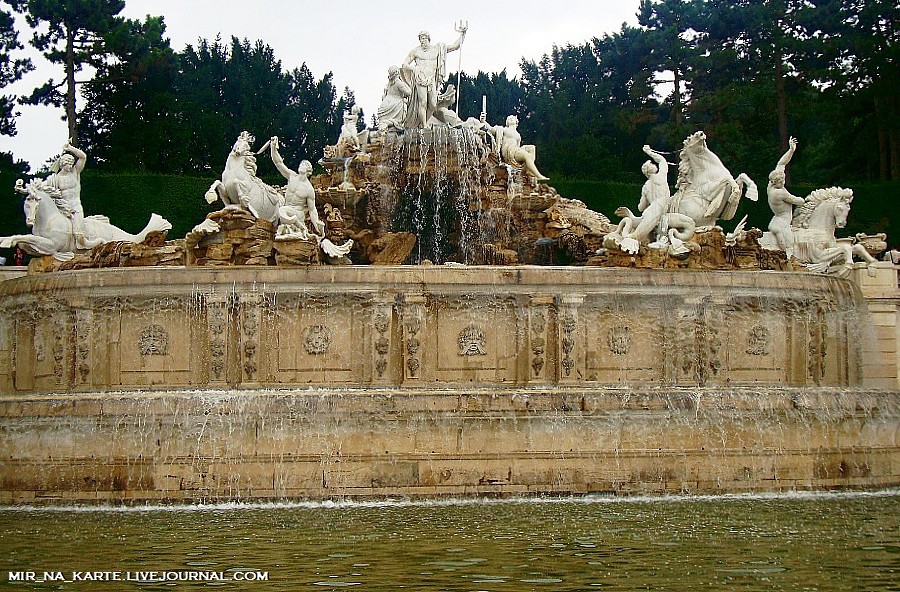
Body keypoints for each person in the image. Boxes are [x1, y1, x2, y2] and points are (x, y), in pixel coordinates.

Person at [401, 25, 466, 128]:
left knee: (433, 104)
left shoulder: (437, 49)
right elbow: (404, 64)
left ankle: (423, 123)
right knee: (423, 102)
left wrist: (463, 34)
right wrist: (414, 69)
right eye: (420, 39)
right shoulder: (415, 51)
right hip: (420, 78)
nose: (422, 41)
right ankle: (424, 125)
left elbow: (455, 46)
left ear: (428, 38)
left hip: (431, 80)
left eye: (424, 38)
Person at [45, 141, 99, 249]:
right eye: (68, 164)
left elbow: (83, 157)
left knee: (78, 233)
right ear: (62, 164)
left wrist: (70, 148)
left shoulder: (75, 172)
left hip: (75, 206)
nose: (70, 166)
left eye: (71, 164)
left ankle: (84, 244)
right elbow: (43, 188)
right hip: (62, 209)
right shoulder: (55, 179)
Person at [269, 136, 325, 239]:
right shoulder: (292, 176)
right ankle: (298, 228)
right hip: (286, 209)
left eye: (303, 165)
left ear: (308, 170)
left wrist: (317, 226)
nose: (300, 165)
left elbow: (312, 210)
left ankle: (298, 226)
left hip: (296, 213)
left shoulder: (309, 189)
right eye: (300, 164)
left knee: (281, 211)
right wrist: (273, 148)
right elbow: (278, 163)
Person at [767, 137, 805, 258]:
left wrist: (791, 150)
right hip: (783, 220)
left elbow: (781, 163)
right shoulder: (778, 193)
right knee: (790, 244)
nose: (783, 183)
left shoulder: (772, 183)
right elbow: (795, 200)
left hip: (777, 218)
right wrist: (804, 200)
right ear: (774, 182)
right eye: (780, 182)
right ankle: (788, 258)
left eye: (783, 180)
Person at [496, 115, 549, 182]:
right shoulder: (504, 130)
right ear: (507, 122)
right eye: (509, 119)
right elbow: (491, 129)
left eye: (513, 118)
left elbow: (518, 145)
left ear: (516, 121)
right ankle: (538, 176)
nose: (511, 119)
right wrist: (484, 121)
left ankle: (528, 170)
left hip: (516, 149)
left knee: (532, 148)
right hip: (510, 152)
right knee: (526, 155)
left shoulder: (518, 135)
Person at [376, 66, 411, 131]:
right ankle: (385, 124)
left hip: (385, 104)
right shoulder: (398, 83)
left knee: (386, 121)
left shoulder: (389, 84)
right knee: (396, 121)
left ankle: (384, 125)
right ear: (398, 72)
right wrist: (406, 84)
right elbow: (408, 93)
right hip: (395, 104)